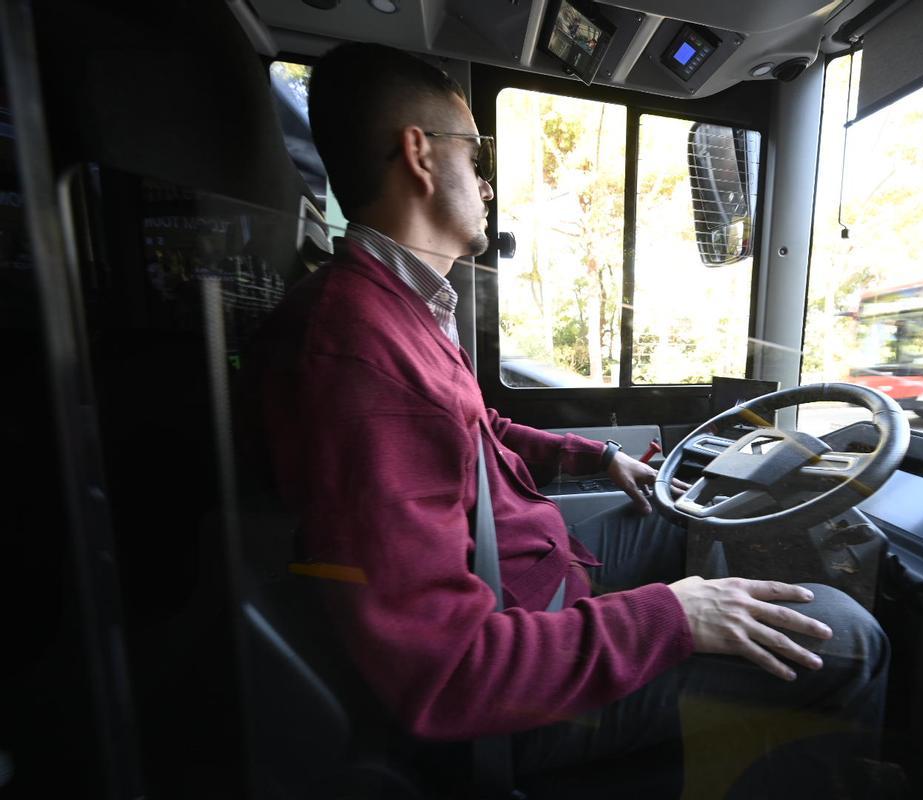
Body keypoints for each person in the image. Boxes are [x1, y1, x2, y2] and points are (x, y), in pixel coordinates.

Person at [245, 42, 888, 798]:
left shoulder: (391, 308)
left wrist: (593, 458)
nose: (487, 185)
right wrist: (673, 618)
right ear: (419, 155)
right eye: (475, 155)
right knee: (848, 638)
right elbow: (448, 674)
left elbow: (474, 429)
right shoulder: (359, 352)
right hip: (504, 700)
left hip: (528, 575)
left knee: (689, 522)